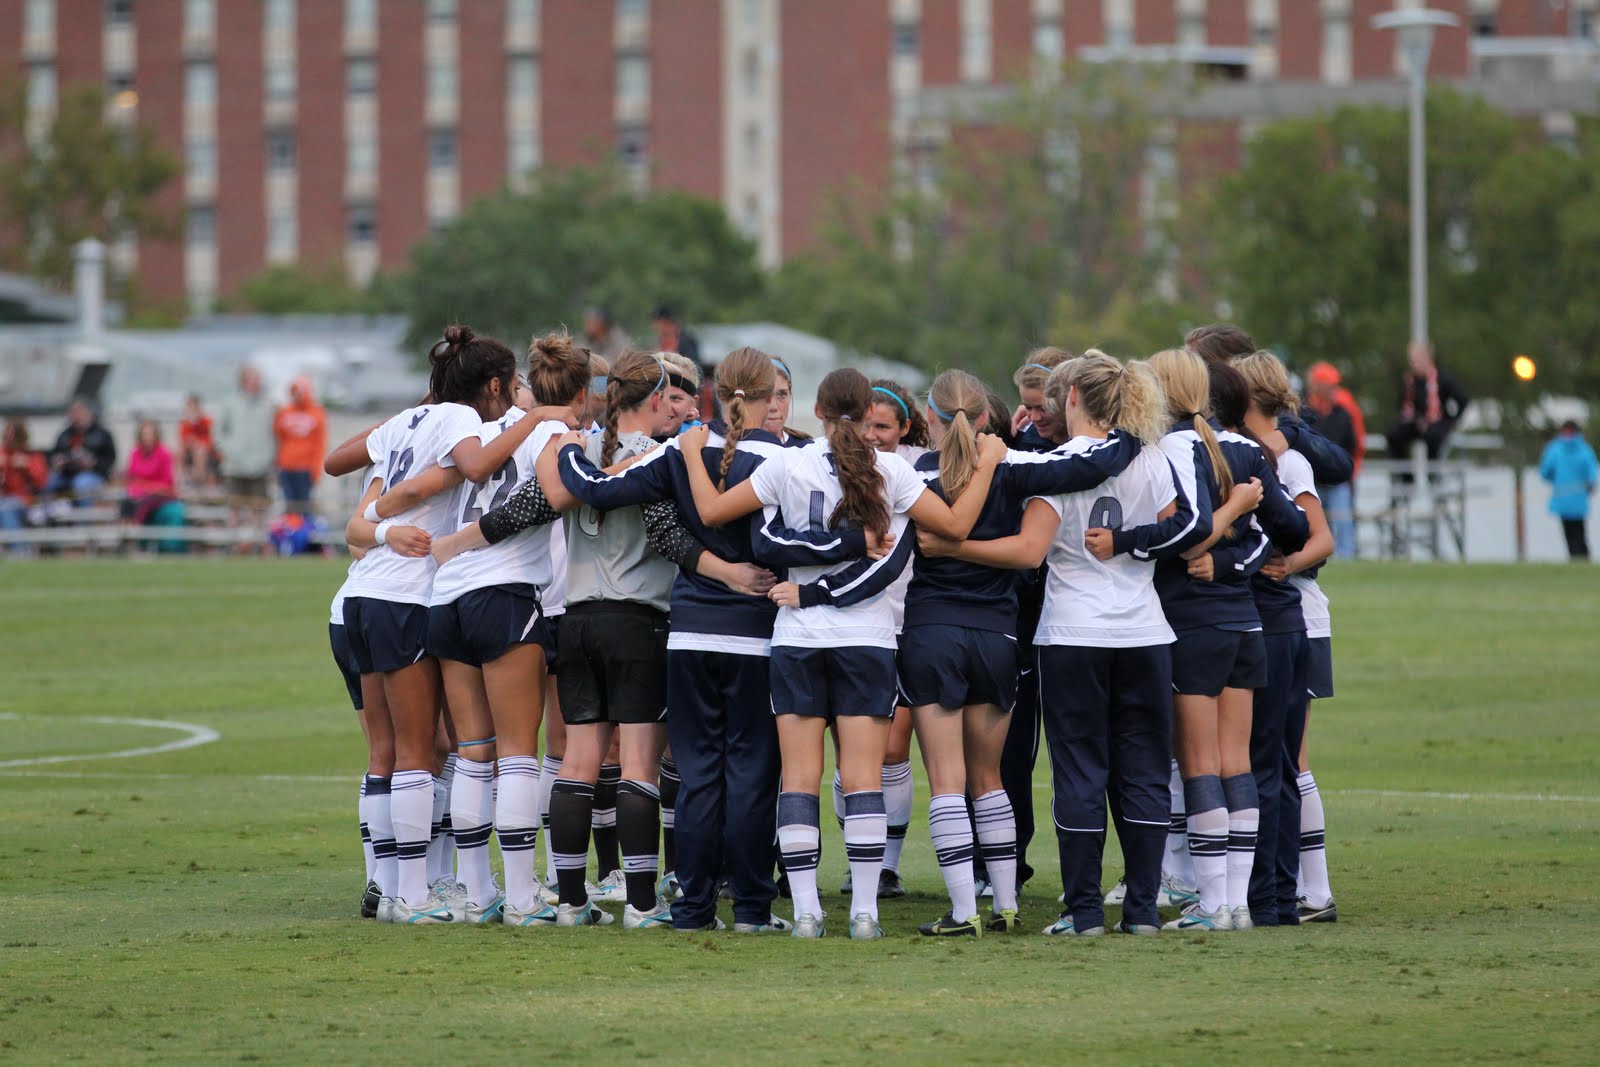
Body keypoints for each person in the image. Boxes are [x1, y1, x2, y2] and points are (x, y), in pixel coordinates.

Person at [675, 367, 1005, 939]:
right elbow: (953, 524)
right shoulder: (894, 469)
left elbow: (720, 519)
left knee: (799, 778)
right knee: (862, 779)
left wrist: (687, 457)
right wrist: (991, 464)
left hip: (798, 638)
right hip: (867, 642)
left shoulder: (787, 463)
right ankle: (865, 914)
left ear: (819, 412)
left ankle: (806, 913)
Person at [924, 353, 1196, 937]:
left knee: (1079, 769)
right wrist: (1130, 542)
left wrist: (952, 549)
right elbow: (1182, 529)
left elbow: (1028, 552)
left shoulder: (1050, 466)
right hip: (1146, 632)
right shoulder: (1151, 459)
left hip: (1073, 634)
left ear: (1070, 399)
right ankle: (1143, 911)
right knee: (1144, 769)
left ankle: (1084, 911)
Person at [343, 324, 552, 924]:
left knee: (410, 749)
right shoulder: (466, 425)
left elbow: (342, 473)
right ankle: (418, 893)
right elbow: (478, 466)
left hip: (362, 597)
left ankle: (396, 887)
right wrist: (538, 419)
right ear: (492, 386)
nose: (516, 399)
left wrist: (385, 517)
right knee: (427, 750)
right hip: (411, 596)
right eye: (511, 389)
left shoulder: (407, 422)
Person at [1235, 351, 1334, 928]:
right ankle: (1280, 890)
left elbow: (1320, 539)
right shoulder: (1256, 453)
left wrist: (1280, 564)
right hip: (1274, 620)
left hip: (1294, 619)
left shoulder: (1286, 460)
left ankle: (1292, 890)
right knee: (1276, 761)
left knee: (1282, 761)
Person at [1304, 363, 1364, 558]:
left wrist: (1350, 474)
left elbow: (1353, 446)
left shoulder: (1342, 413)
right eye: (1330, 385)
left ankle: (1346, 560)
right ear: (1317, 386)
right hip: (1311, 483)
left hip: (1338, 482)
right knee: (1312, 528)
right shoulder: (1302, 412)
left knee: (1343, 525)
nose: (1334, 389)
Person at [216, 366, 277, 525]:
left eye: (258, 378)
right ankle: (234, 545)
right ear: (243, 381)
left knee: (258, 508)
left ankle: (255, 544)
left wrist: (269, 456)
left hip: (260, 466)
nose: (256, 381)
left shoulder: (269, 405)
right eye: (253, 378)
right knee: (234, 507)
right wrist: (228, 450)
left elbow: (275, 434)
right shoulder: (229, 403)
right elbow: (218, 432)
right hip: (234, 466)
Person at [1387, 341, 1469, 461]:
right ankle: (1405, 477)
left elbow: (1463, 399)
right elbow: (1401, 405)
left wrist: (1450, 420)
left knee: (1434, 437)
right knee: (1393, 434)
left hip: (1436, 423)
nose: (1414, 363)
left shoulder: (1443, 378)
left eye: (1418, 359)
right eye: (1412, 359)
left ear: (1428, 358)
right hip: (1414, 423)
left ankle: (1433, 476)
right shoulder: (1408, 380)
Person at [1539, 421, 1597, 562]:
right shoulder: (1585, 450)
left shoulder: (1555, 449)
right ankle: (1582, 560)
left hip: (1563, 498)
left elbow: (1545, 472)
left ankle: (1576, 559)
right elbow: (1592, 475)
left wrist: (1557, 481)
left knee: (1570, 533)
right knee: (1579, 532)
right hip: (1579, 499)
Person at [43, 398, 116, 506]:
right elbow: (53, 455)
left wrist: (93, 463)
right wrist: (58, 461)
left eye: (80, 413)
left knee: (81, 483)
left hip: (94, 474)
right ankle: (47, 518)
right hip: (67, 474)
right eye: (74, 414)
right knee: (50, 482)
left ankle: (84, 520)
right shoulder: (64, 435)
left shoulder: (102, 435)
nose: (77, 417)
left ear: (88, 414)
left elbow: (110, 460)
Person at [275, 377, 327, 516]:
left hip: (305, 468)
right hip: (286, 465)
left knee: (304, 504)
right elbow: (278, 438)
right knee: (288, 504)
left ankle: (304, 533)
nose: (298, 395)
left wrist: (316, 469)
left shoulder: (316, 412)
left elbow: (320, 444)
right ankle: (290, 532)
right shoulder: (284, 411)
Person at [1, 418, 48, 546]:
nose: (7, 441)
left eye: (11, 437)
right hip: (5, 498)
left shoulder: (33, 456)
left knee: (6, 507)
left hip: (28, 501)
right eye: (5, 437)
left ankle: (19, 551)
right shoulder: (2, 455)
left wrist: (27, 466)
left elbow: (41, 483)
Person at [123, 420, 177, 524]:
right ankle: (127, 535)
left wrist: (145, 487)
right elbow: (131, 478)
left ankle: (136, 532)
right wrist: (141, 487)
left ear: (156, 435)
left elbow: (167, 483)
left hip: (160, 494)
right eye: (144, 434)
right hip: (140, 494)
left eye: (150, 434)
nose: (147, 437)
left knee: (142, 505)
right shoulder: (135, 453)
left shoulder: (165, 454)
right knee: (125, 504)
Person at [764, 357, 811, 446]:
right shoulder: (734, 449)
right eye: (764, 395)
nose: (773, 407)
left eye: (781, 394)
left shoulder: (807, 450)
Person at [178, 394, 218, 487]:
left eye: (194, 407)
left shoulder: (207, 421)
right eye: (190, 407)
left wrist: (195, 424)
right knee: (179, 451)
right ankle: (185, 478)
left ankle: (200, 479)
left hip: (204, 450)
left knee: (200, 451)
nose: (192, 410)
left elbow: (211, 439)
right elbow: (182, 439)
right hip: (190, 450)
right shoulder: (185, 423)